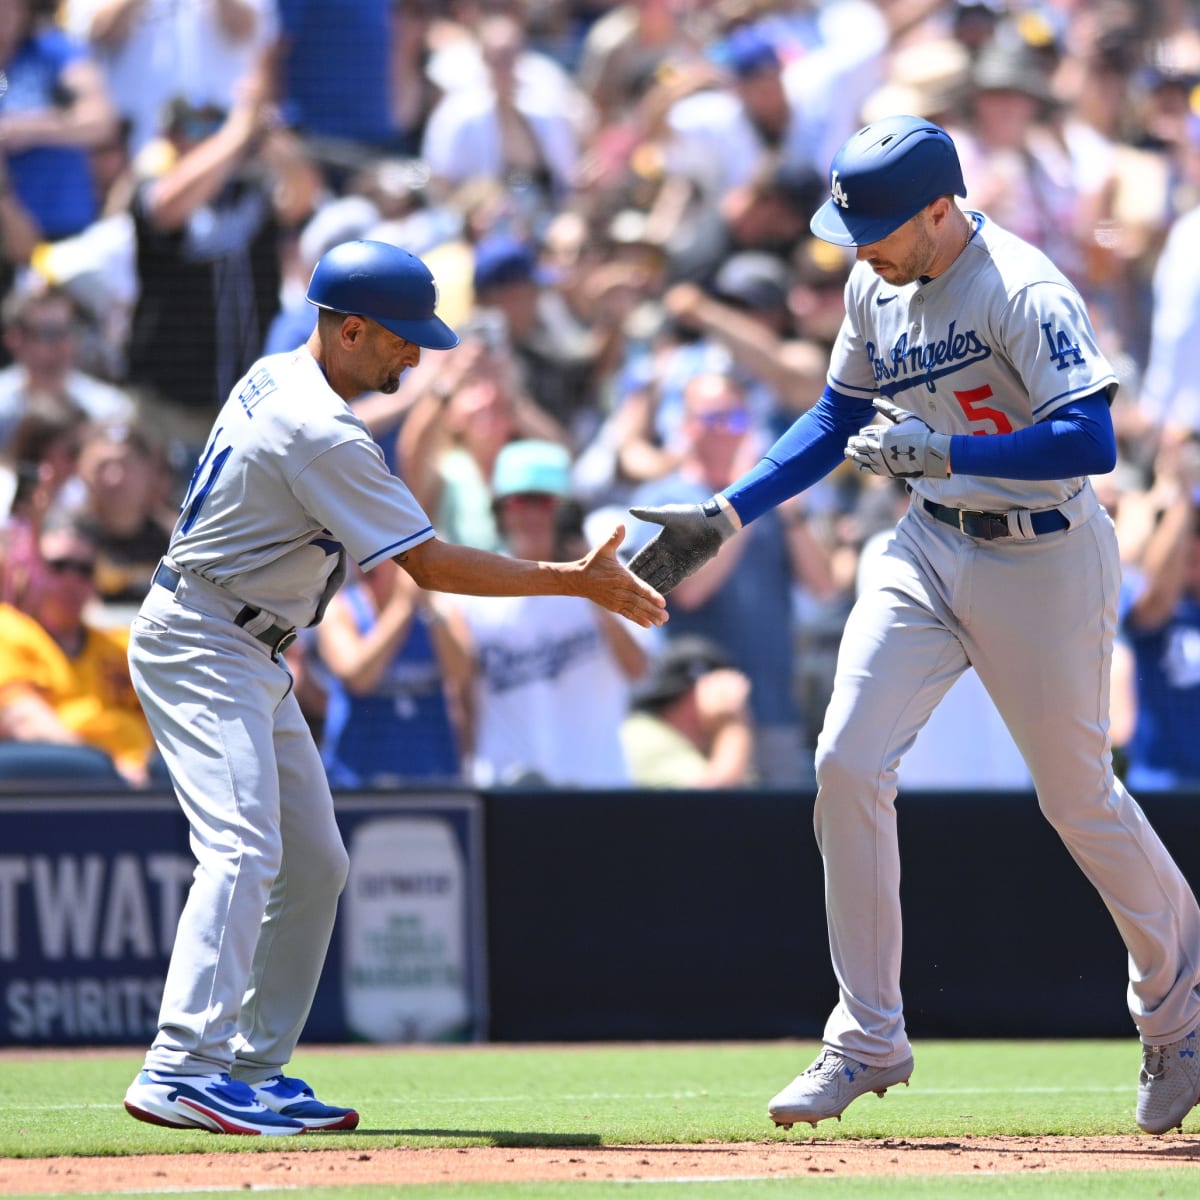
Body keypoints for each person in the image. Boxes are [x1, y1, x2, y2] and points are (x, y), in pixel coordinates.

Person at [627, 114, 1200, 1135]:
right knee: (846, 759)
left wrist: (944, 450)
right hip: (928, 543)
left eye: (882, 225)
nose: (862, 246)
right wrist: (728, 511)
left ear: (942, 208)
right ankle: (867, 1036)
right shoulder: (873, 279)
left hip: (1046, 551)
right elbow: (837, 417)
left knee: (1078, 801)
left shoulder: (1022, 285)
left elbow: (1092, 435)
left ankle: (1177, 1012)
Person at [121, 238, 665, 1136]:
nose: (415, 353)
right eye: (400, 339)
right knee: (243, 849)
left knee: (318, 863)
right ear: (351, 330)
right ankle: (182, 1066)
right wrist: (572, 577)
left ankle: (253, 1066)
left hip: (247, 642)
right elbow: (430, 566)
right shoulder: (319, 427)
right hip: (205, 639)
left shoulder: (281, 375)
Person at [446, 438, 652, 788]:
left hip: (597, 786)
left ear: (565, 512)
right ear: (501, 510)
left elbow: (638, 670)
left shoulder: (614, 582)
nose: (530, 514)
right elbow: (461, 696)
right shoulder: (475, 593)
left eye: (543, 502)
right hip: (506, 790)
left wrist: (594, 589)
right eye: (518, 501)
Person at [0, 512, 154, 786]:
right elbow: (21, 719)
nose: (71, 581)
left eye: (84, 570)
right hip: (66, 793)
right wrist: (108, 769)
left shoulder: (122, 645)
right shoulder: (8, 629)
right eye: (58, 566)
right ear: (33, 568)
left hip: (149, 794)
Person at [620, 633, 755, 788]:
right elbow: (705, 804)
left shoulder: (688, 745)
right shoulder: (644, 734)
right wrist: (731, 727)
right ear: (693, 696)